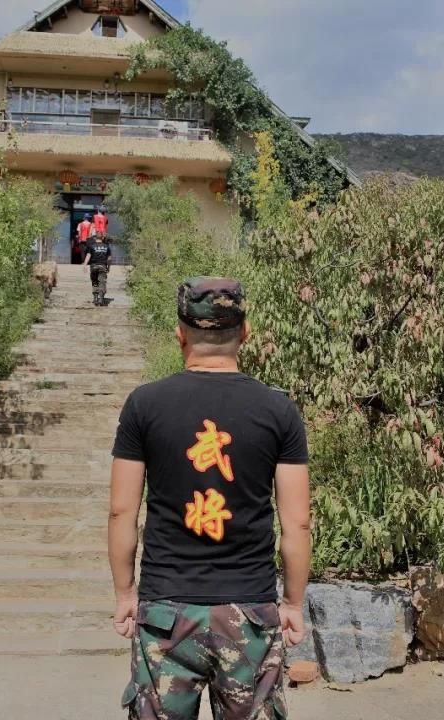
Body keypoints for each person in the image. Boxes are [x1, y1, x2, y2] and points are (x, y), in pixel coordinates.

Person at [108, 278, 311, 720]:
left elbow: (122, 511)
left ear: (180, 333)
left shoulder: (144, 405)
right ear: (245, 333)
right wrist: (293, 604)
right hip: (249, 612)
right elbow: (297, 523)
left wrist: (125, 593)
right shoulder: (278, 411)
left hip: (166, 613)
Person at [82, 233, 113, 306]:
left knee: (95, 281)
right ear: (102, 238)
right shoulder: (107, 247)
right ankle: (101, 299)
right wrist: (108, 267)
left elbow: (88, 255)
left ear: (95, 238)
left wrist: (85, 265)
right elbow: (109, 259)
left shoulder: (91, 246)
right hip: (102, 266)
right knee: (102, 282)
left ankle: (95, 298)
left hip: (93, 267)